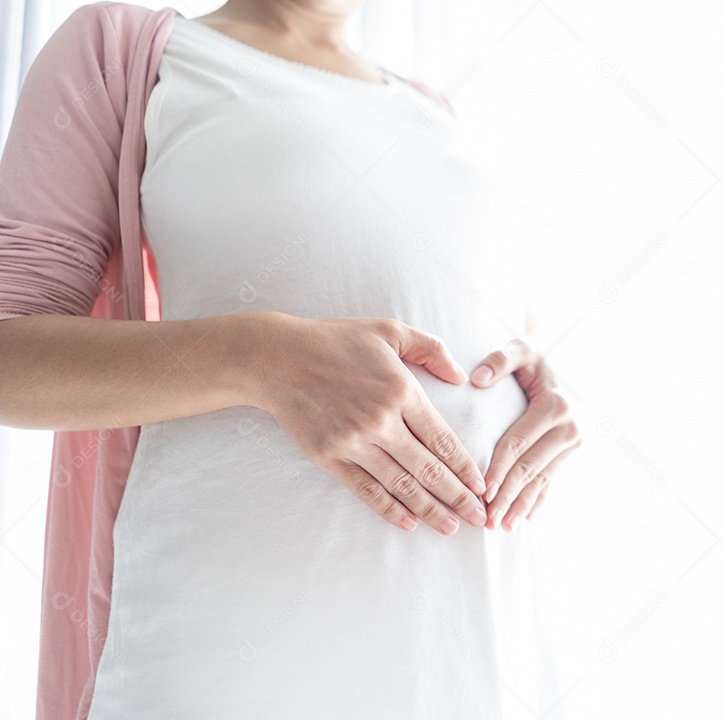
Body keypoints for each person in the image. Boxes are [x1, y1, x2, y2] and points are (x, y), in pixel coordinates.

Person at [0, 0, 581, 716]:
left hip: (477, 655)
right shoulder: (135, 50)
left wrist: (543, 386)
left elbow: (470, 319)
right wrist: (261, 355)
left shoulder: (433, 108)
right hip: (237, 662)